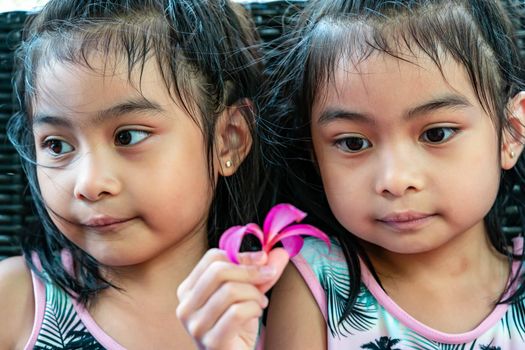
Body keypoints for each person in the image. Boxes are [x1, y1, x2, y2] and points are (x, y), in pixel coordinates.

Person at [0, 0, 282, 348]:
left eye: (128, 136)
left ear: (229, 140)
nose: (88, 184)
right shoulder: (14, 301)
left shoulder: (279, 312)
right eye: (57, 146)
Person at [260, 0, 525, 348]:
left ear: (511, 132)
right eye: (353, 143)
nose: (395, 180)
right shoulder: (314, 282)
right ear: (313, 151)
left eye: (436, 134)